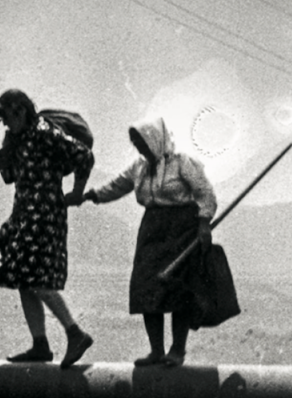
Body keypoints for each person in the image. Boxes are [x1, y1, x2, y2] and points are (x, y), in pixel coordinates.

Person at [0, 88, 95, 366]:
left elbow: (83, 156)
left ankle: (75, 333)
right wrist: (5, 154)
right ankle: (40, 344)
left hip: (44, 215)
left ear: (21, 110)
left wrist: (77, 192)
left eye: (8, 116)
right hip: (24, 214)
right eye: (3, 118)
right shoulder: (17, 140)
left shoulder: (43, 131)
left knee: (35, 278)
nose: (6, 123)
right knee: (23, 279)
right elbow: (10, 177)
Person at [84, 117, 216, 367]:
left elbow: (204, 192)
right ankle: (156, 350)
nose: (139, 148)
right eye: (136, 144)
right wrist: (91, 195)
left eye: (142, 142)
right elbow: (117, 185)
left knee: (180, 290)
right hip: (152, 231)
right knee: (146, 287)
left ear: (156, 139)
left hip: (182, 228)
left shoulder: (182, 163)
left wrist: (204, 223)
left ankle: (177, 351)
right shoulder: (139, 168)